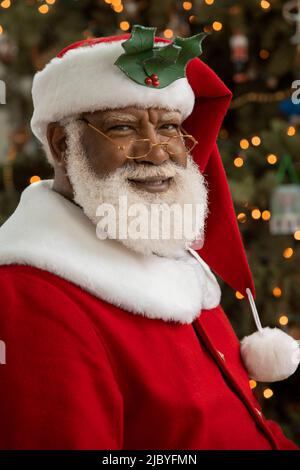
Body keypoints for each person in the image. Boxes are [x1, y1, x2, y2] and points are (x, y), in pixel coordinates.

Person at [0, 25, 298, 450]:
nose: (158, 152)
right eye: (123, 128)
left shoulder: (170, 250)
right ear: (63, 144)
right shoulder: (31, 298)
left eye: (170, 128)